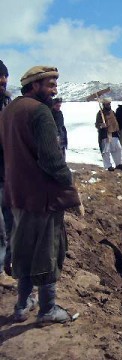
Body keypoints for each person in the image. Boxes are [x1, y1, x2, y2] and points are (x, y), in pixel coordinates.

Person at [0, 65, 83, 325]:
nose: (54, 89)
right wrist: (70, 187)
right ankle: (47, 309)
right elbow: (52, 160)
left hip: (16, 194)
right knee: (49, 251)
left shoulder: (8, 111)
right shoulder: (40, 113)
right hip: (42, 198)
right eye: (49, 84)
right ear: (34, 86)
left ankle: (23, 304)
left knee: (22, 249)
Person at [0, 59, 15, 288]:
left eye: (4, 77)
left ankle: (9, 265)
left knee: (12, 224)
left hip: (9, 175)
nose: (2, 80)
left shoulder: (8, 104)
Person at [95, 98, 122, 172]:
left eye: (109, 104)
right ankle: (108, 166)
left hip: (114, 133)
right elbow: (97, 124)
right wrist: (101, 125)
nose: (108, 105)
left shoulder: (112, 112)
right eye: (107, 104)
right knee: (106, 151)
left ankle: (119, 164)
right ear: (104, 105)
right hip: (105, 134)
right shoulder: (100, 113)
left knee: (118, 148)